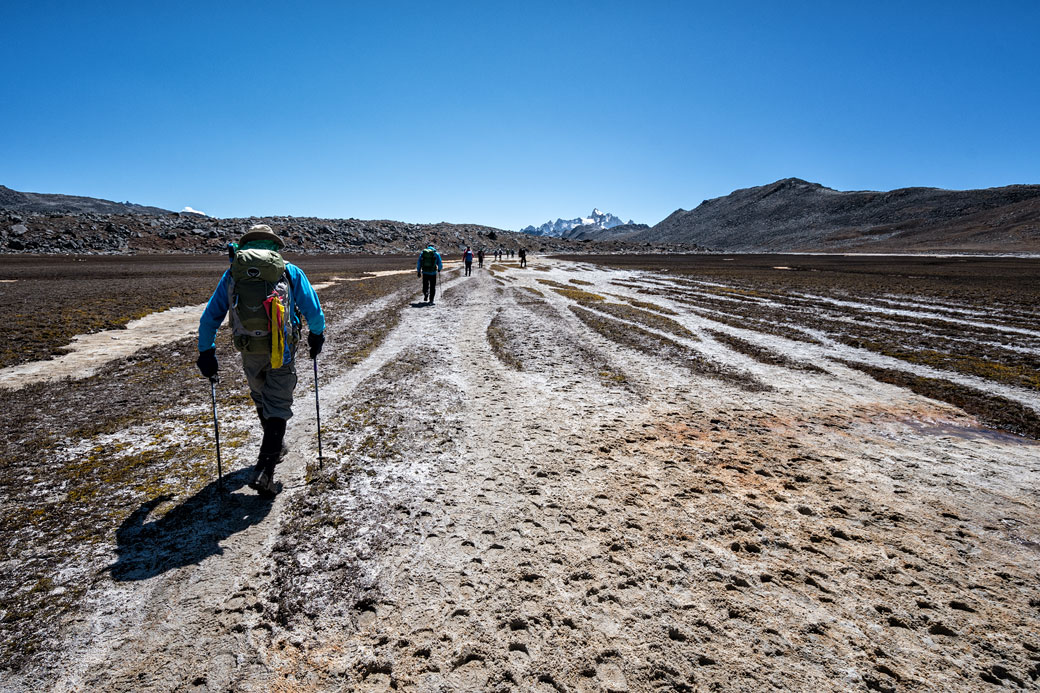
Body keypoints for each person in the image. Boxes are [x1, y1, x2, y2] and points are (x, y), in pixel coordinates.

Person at [196, 224, 326, 498]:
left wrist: (206, 351)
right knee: (278, 402)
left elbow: (210, 317)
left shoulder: (233, 273)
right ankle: (265, 469)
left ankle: (274, 450)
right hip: (282, 348)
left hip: (248, 348)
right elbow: (313, 309)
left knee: (261, 398)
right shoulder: (289, 271)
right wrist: (317, 335)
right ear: (274, 245)